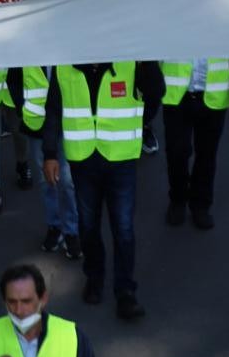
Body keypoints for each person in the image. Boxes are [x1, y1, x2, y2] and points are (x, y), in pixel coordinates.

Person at [41, 62, 163, 321]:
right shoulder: (65, 67)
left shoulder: (130, 63)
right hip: (83, 159)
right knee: (88, 225)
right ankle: (94, 278)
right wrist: (50, 154)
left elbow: (155, 93)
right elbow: (53, 110)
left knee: (124, 228)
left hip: (121, 158)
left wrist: (140, 121)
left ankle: (125, 292)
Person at [162, 57, 229, 231]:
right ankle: (178, 199)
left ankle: (201, 205)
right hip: (175, 91)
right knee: (176, 151)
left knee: (207, 154)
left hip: (213, 92)